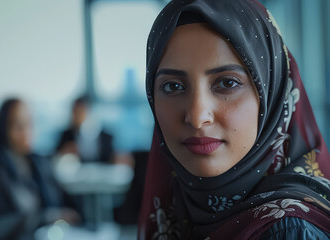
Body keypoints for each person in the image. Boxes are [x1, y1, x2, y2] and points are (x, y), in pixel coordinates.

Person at [138, 0, 330, 239]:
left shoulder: (289, 231)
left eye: (227, 83)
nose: (197, 117)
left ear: (271, 94)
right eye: (173, 86)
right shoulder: (175, 203)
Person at [0, 98, 79, 239]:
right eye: (18, 125)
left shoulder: (39, 162)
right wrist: (46, 218)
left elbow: (64, 199)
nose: (26, 131)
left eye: (29, 123)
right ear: (3, 127)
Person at [56, 95, 114, 163]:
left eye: (80, 112)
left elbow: (111, 158)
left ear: (88, 112)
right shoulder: (66, 135)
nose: (76, 115)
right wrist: (64, 153)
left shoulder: (106, 136)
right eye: (74, 112)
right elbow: (56, 156)